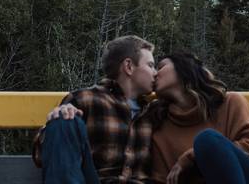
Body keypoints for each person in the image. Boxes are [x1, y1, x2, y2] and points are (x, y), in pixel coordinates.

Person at [33, 35, 158, 184]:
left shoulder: (154, 111)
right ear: (129, 66)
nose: (155, 73)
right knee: (63, 122)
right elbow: (41, 155)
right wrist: (57, 119)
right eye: (150, 65)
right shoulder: (85, 99)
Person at [150, 52, 249, 184]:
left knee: (207, 139)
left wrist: (191, 157)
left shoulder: (231, 103)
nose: (154, 74)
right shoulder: (159, 128)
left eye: (161, 67)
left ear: (184, 68)